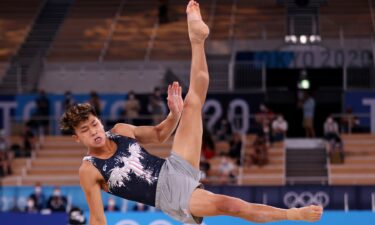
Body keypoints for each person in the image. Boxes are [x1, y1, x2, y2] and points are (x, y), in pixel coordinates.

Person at [59, 1, 322, 225]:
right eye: (85, 130)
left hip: (174, 166)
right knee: (229, 205)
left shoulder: (119, 131)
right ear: (77, 138)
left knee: (193, 102)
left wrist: (174, 114)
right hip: (168, 194)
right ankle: (293, 214)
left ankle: (197, 40)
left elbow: (160, 135)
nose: (93, 131)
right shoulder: (89, 169)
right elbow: (97, 218)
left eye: (93, 124)